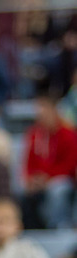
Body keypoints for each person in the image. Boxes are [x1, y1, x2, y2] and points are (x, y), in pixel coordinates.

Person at [22, 94, 77, 230]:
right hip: (40, 179)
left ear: (54, 112)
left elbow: (69, 165)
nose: (42, 117)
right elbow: (29, 161)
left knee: (58, 190)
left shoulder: (68, 134)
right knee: (22, 190)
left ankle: (55, 227)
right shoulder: (35, 134)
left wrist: (47, 178)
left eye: (45, 113)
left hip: (61, 178)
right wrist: (31, 178)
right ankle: (32, 228)